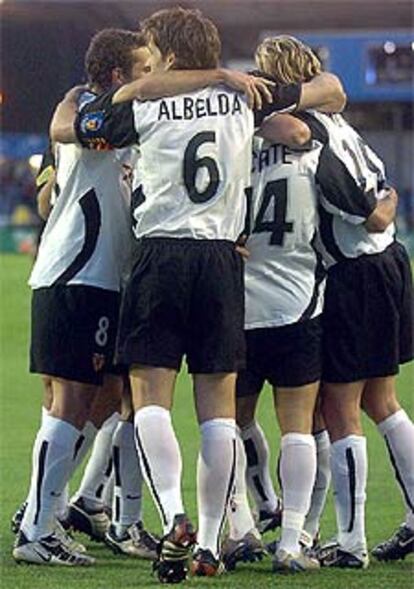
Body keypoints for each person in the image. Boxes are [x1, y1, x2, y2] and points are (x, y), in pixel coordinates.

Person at [51, 7, 347, 583]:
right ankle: (210, 543)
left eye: (155, 52)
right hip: (220, 262)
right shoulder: (245, 96)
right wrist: (223, 80)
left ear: (167, 54)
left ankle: (175, 517)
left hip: (160, 254)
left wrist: (172, 83)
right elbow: (330, 90)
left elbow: (74, 123)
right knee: (217, 412)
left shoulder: (142, 103)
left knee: (150, 401)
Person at [256, 37, 414, 569]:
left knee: (339, 408)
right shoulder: (342, 124)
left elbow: (371, 214)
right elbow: (381, 201)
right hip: (387, 265)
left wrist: (383, 207)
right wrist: (388, 199)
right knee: (380, 402)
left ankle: (350, 543)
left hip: (355, 272)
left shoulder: (312, 134)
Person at [12, 28, 153, 566]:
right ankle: (37, 531)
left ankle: (39, 512)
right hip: (79, 272)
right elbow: (65, 123)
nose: (151, 78)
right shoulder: (94, 111)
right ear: (118, 75)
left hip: (98, 276)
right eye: (143, 69)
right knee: (69, 402)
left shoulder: (99, 113)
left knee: (96, 397)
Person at [223, 36, 346, 573]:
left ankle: (239, 525)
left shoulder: (233, 133)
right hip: (298, 294)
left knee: (228, 420)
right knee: (298, 423)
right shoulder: (313, 137)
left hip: (240, 298)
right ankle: (293, 542)